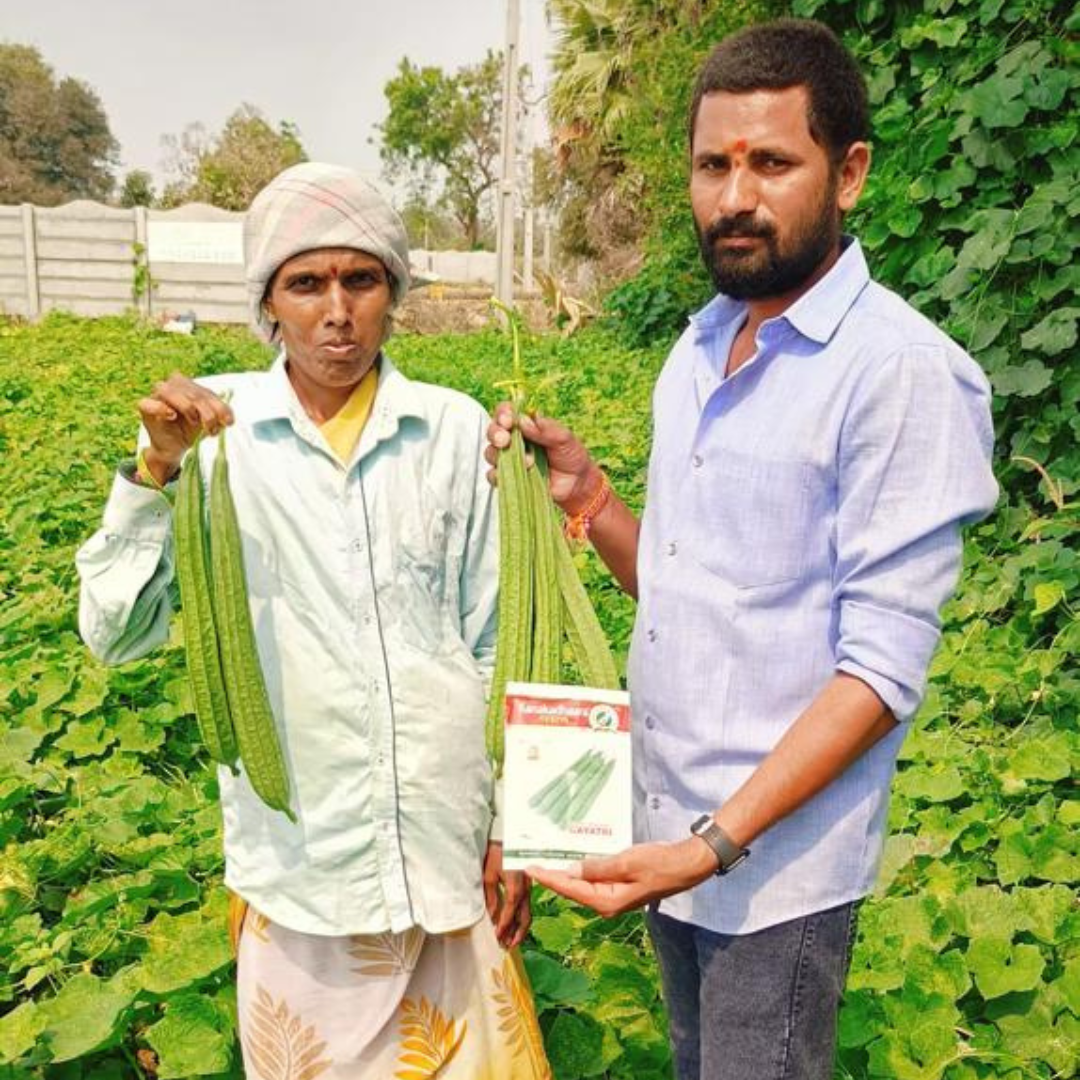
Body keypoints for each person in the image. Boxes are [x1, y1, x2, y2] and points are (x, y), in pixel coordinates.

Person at [488, 19, 997, 1080]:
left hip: (775, 873)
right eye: (713, 165)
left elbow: (880, 672)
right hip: (669, 827)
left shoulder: (900, 373)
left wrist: (715, 844)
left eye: (772, 162)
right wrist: (589, 503)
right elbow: (687, 586)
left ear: (848, 172)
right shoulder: (700, 344)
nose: (735, 196)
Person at [78, 162, 551, 1080]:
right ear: (270, 304)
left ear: (392, 295)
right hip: (298, 872)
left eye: (360, 280)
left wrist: (518, 828)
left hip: (445, 863)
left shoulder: (454, 433)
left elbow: (501, 641)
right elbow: (115, 633)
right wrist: (154, 476)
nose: (336, 310)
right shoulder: (208, 433)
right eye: (306, 283)